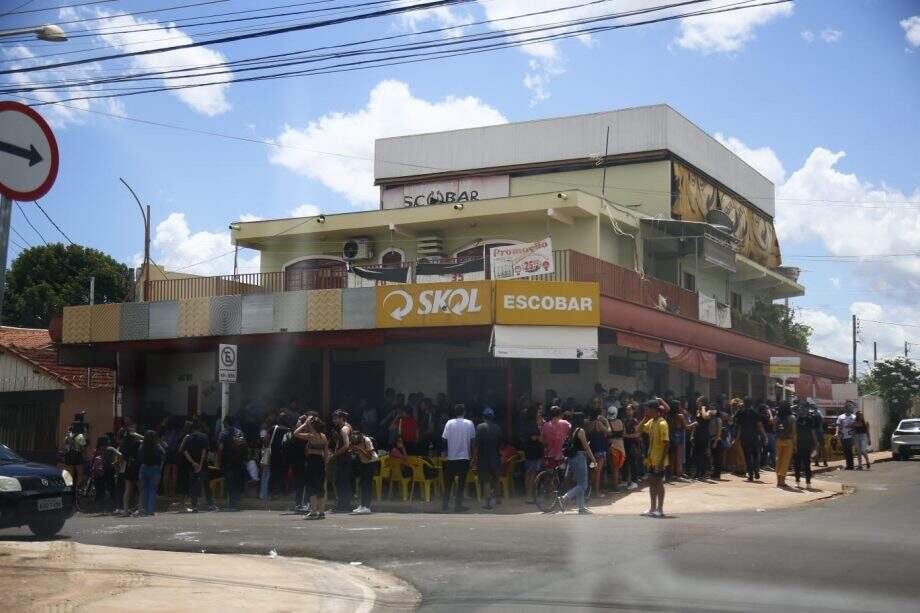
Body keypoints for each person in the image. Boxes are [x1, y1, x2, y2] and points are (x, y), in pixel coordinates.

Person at [557, 412, 597, 515]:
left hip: (572, 458)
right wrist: (593, 459)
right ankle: (564, 498)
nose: (586, 420)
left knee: (580, 483)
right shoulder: (581, 430)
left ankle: (581, 507)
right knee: (583, 485)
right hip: (580, 457)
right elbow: (586, 446)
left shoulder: (572, 430)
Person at [441, 403, 476, 513]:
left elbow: (444, 439)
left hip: (452, 457)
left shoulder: (449, 423)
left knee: (448, 482)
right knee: (461, 482)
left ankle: (445, 504)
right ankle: (458, 505)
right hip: (464, 457)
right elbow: (473, 441)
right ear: (464, 412)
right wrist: (472, 455)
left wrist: (448, 449)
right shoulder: (469, 423)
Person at [639, 399, 669, 518]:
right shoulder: (651, 422)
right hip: (651, 459)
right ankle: (652, 507)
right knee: (652, 482)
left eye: (647, 409)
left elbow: (666, 444)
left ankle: (660, 509)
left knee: (658, 483)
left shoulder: (662, 423)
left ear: (654, 410)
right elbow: (639, 430)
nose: (646, 411)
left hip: (659, 460)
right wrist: (645, 418)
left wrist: (661, 462)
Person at [296, 416, 328, 520]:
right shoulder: (323, 436)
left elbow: (295, 433)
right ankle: (321, 512)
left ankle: (313, 511)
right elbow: (326, 454)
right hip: (321, 463)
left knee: (311, 487)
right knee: (320, 488)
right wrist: (325, 465)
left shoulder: (311, 435)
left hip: (312, 462)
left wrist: (305, 424)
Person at [181, 420, 216, 512]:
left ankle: (194, 506)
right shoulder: (204, 437)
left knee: (193, 486)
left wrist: (193, 462)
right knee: (206, 485)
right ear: (200, 428)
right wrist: (200, 464)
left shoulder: (188, 438)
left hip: (191, 466)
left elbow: (185, 452)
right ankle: (210, 505)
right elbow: (204, 451)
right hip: (203, 465)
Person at [474, 407, 503, 510]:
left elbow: (476, 445)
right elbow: (500, 445)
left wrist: (474, 458)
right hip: (495, 457)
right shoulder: (498, 428)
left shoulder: (480, 427)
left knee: (486, 481)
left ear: (483, 417)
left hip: (483, 458)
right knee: (496, 478)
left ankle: (488, 503)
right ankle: (498, 498)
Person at [217, 416, 246, 511]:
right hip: (238, 461)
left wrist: (218, 461)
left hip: (227, 461)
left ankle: (232, 504)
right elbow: (243, 445)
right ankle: (235, 502)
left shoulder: (223, 433)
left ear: (226, 423)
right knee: (236, 481)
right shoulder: (239, 432)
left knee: (230, 482)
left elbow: (220, 449)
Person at [330, 410, 356, 513]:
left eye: (336, 418)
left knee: (342, 482)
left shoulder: (344, 429)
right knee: (342, 482)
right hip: (345, 458)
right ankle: (343, 504)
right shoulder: (346, 427)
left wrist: (335, 454)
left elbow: (346, 445)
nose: (334, 420)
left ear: (341, 418)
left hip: (344, 459)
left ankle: (344, 506)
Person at [735, 398, 765, 481]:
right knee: (756, 455)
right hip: (755, 437)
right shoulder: (755, 413)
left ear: (744, 403)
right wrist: (764, 436)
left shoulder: (741, 413)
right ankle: (756, 471)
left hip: (744, 437)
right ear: (752, 404)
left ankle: (751, 475)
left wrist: (737, 437)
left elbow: (739, 427)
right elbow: (760, 426)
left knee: (747, 456)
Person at [519, 405, 543, 503]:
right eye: (538, 411)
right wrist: (538, 437)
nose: (540, 412)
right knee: (531, 472)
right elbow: (533, 437)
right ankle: (529, 495)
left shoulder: (536, 422)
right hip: (532, 450)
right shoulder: (531, 423)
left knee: (531, 472)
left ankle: (530, 494)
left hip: (533, 450)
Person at [351, 429, 378, 514]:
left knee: (367, 486)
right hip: (363, 464)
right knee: (362, 485)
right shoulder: (356, 441)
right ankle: (362, 505)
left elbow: (369, 456)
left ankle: (367, 506)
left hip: (370, 464)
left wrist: (359, 449)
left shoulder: (367, 440)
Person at [137, 430, 164, 516]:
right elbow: (164, 454)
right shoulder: (157, 446)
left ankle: (144, 509)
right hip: (155, 468)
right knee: (152, 490)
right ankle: (150, 510)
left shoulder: (142, 447)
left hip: (144, 467)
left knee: (144, 490)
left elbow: (139, 456)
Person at [118, 422, 143, 516]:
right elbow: (144, 438)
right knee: (141, 488)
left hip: (127, 465)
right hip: (136, 466)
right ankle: (140, 509)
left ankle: (125, 510)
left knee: (128, 489)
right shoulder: (137, 443)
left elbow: (122, 456)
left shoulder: (124, 444)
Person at [90, 436, 119, 512]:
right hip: (108, 472)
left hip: (98, 474)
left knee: (99, 490)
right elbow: (120, 455)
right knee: (110, 489)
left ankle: (98, 507)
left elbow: (92, 461)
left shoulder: (96, 450)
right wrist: (114, 463)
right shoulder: (110, 449)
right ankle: (110, 507)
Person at [794, 403, 819, 488]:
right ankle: (797, 480)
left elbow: (813, 432)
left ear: (806, 410)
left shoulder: (810, 420)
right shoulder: (796, 420)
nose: (801, 410)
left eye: (803, 409)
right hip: (798, 444)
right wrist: (794, 445)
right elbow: (795, 434)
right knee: (797, 464)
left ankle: (808, 482)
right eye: (800, 409)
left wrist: (816, 444)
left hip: (807, 445)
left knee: (807, 464)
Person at [587, 406, 610, 497]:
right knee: (598, 472)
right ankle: (597, 492)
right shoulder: (598, 423)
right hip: (600, 450)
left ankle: (591, 490)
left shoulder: (589, 423)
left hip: (592, 450)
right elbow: (609, 432)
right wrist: (607, 422)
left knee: (592, 470)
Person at [288, 415, 309, 512]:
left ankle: (303, 503)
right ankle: (299, 503)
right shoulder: (297, 435)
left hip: (301, 462)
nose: (297, 423)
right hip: (298, 462)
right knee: (299, 484)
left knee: (303, 484)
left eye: (299, 421)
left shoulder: (304, 435)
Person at [773, 402, 796, 488]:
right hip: (788, 441)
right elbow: (794, 432)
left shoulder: (776, 417)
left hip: (778, 440)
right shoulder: (792, 418)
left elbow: (774, 429)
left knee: (778, 459)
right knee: (785, 461)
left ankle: (778, 480)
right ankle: (782, 481)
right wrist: (795, 444)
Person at [689, 397, 714, 480]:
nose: (696, 403)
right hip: (697, 434)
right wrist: (692, 435)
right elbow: (697, 423)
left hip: (704, 434)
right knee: (694, 454)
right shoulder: (698, 411)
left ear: (703, 403)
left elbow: (705, 417)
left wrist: (703, 408)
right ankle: (698, 471)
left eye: (698, 402)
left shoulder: (709, 411)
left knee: (702, 454)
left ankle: (702, 472)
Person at [622, 404, 642, 490]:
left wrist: (626, 436)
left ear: (633, 411)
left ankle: (634, 482)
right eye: (627, 410)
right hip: (626, 444)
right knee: (625, 463)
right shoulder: (625, 421)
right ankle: (625, 481)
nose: (628, 411)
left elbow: (637, 434)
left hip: (633, 445)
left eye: (629, 410)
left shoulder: (635, 421)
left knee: (633, 463)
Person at [607, 406, 625, 492]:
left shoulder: (608, 423)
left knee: (614, 468)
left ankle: (615, 487)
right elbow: (623, 433)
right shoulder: (620, 422)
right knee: (618, 467)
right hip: (621, 447)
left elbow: (607, 434)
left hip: (613, 448)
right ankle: (618, 484)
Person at [836, 402, 857, 470]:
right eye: (848, 408)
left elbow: (856, 427)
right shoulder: (841, 417)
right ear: (845, 408)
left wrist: (854, 432)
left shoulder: (854, 417)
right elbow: (838, 426)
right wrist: (837, 433)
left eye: (851, 408)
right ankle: (848, 465)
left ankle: (851, 465)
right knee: (845, 451)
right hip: (843, 436)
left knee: (849, 451)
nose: (850, 409)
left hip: (851, 436)